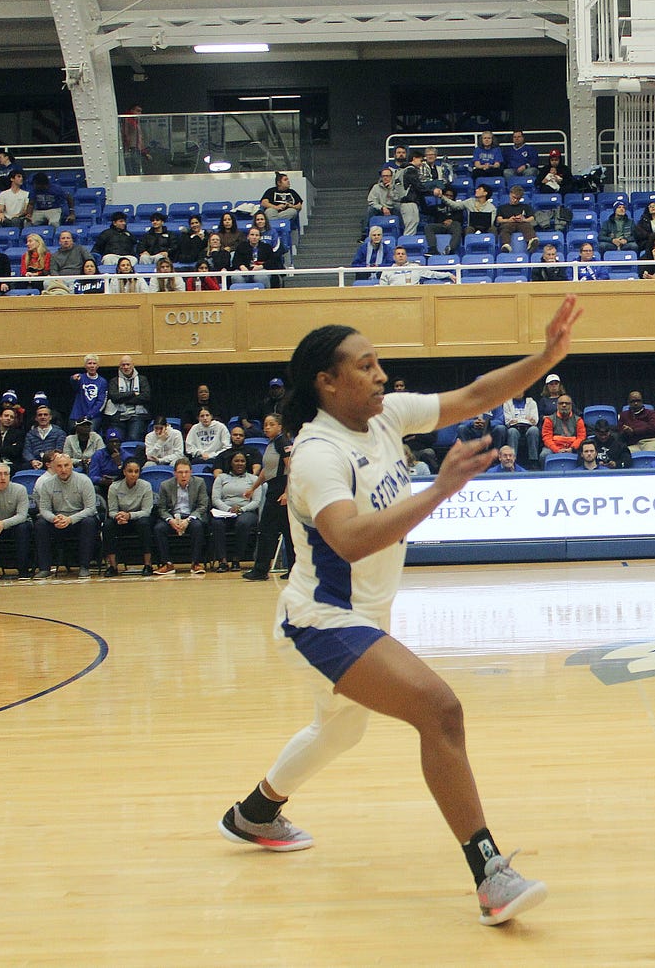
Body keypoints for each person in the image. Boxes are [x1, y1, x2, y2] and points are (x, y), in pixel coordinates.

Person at [216, 296, 580, 927]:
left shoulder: (384, 418)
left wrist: (545, 358)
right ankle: (490, 873)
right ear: (327, 382)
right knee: (440, 711)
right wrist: (441, 489)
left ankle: (253, 813)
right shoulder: (318, 453)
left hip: (364, 617)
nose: (381, 374)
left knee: (341, 730)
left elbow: (474, 395)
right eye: (366, 365)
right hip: (321, 621)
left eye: (379, 362)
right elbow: (350, 539)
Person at [241, 413, 293, 581]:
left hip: (281, 488)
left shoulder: (282, 442)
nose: (267, 427)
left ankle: (261, 570)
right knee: (286, 530)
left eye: (271, 424)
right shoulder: (271, 444)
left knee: (267, 530)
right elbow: (266, 470)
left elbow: (291, 468)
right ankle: (294, 570)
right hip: (273, 487)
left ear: (280, 427)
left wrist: (287, 492)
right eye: (265, 424)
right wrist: (253, 488)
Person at [32, 452, 98, 578]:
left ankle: (84, 566)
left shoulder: (84, 481)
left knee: (89, 522)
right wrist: (54, 518)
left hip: (78, 520)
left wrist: (70, 519)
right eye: (59, 466)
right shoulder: (47, 484)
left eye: (66, 465)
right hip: (57, 521)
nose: (63, 469)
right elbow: (44, 509)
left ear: (72, 466)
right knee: (40, 524)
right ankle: (44, 568)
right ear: (53, 467)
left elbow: (90, 508)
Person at [152, 458, 210, 575]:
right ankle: (167, 563)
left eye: (186, 472)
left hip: (191, 515)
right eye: (180, 472)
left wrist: (188, 520)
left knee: (198, 526)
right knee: (159, 528)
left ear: (191, 472)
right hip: (173, 516)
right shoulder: (165, 485)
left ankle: (196, 563)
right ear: (174, 473)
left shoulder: (199, 483)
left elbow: (202, 506)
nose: (183, 475)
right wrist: (170, 520)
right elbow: (161, 508)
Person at [211, 451, 263, 571]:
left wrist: (241, 509)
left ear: (246, 463)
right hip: (225, 511)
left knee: (243, 523)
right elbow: (215, 499)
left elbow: (256, 501)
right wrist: (228, 509)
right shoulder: (221, 478)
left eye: (242, 461)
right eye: (236, 461)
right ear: (231, 463)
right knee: (216, 523)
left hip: (246, 511)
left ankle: (236, 559)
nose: (239, 463)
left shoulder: (254, 479)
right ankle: (222, 561)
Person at [103, 459, 155, 577]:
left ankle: (148, 565)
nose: (133, 474)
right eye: (130, 471)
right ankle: (113, 566)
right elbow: (111, 511)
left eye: (136, 471)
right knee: (107, 525)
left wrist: (130, 515)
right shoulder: (114, 487)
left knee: (145, 524)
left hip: (138, 519)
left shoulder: (146, 486)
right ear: (124, 472)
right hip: (121, 520)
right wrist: (119, 516)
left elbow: (146, 511)